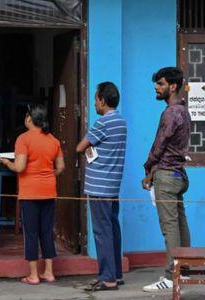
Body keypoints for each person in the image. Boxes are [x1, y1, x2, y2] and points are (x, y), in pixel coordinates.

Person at [0, 104, 65, 285]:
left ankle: (34, 275)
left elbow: (19, 167)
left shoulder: (23, 139)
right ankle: (49, 272)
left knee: (31, 233)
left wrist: (7, 163)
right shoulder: (54, 141)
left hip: (29, 193)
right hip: (49, 192)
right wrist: (47, 175)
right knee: (46, 232)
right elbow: (60, 167)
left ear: (29, 118)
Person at [141, 67, 191, 292]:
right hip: (178, 174)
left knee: (169, 226)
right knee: (180, 224)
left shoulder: (171, 113)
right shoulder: (184, 110)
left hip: (166, 175)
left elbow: (159, 145)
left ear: (172, 86)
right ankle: (185, 271)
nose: (156, 88)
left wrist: (148, 168)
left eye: (160, 84)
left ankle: (172, 276)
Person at [76, 82, 127, 292]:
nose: (95, 103)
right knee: (112, 228)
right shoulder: (121, 122)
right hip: (113, 185)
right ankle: (115, 273)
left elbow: (80, 147)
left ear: (103, 101)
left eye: (96, 99)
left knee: (101, 231)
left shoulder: (102, 123)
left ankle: (107, 278)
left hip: (98, 186)